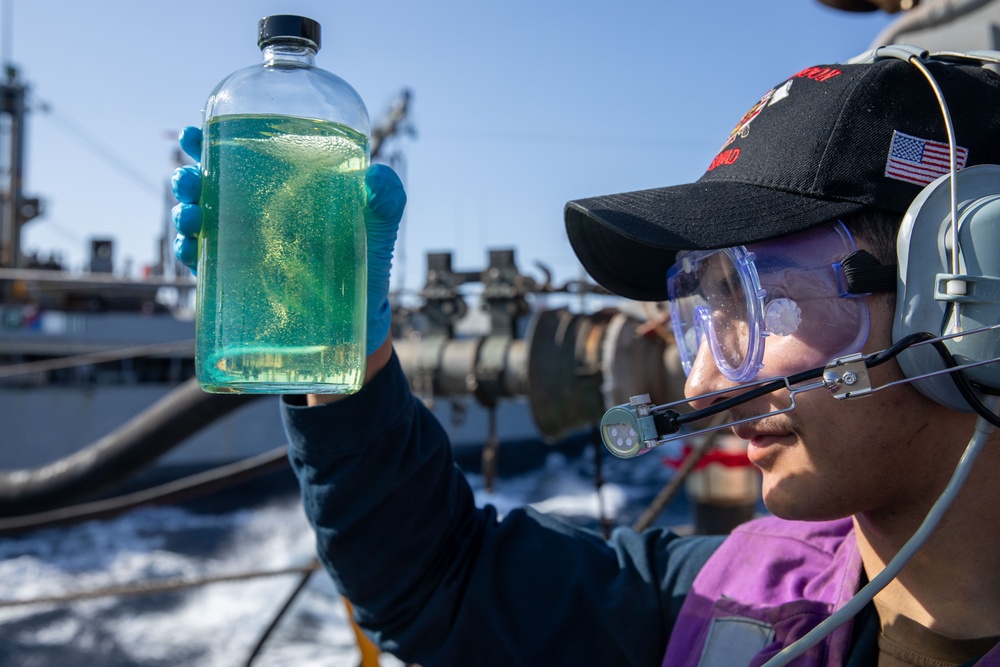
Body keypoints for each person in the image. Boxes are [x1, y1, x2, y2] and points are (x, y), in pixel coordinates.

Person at [172, 49, 1000, 666]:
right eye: (701, 313)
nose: (702, 381)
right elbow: (437, 583)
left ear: (967, 289)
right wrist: (345, 348)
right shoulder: (729, 594)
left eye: (758, 300)